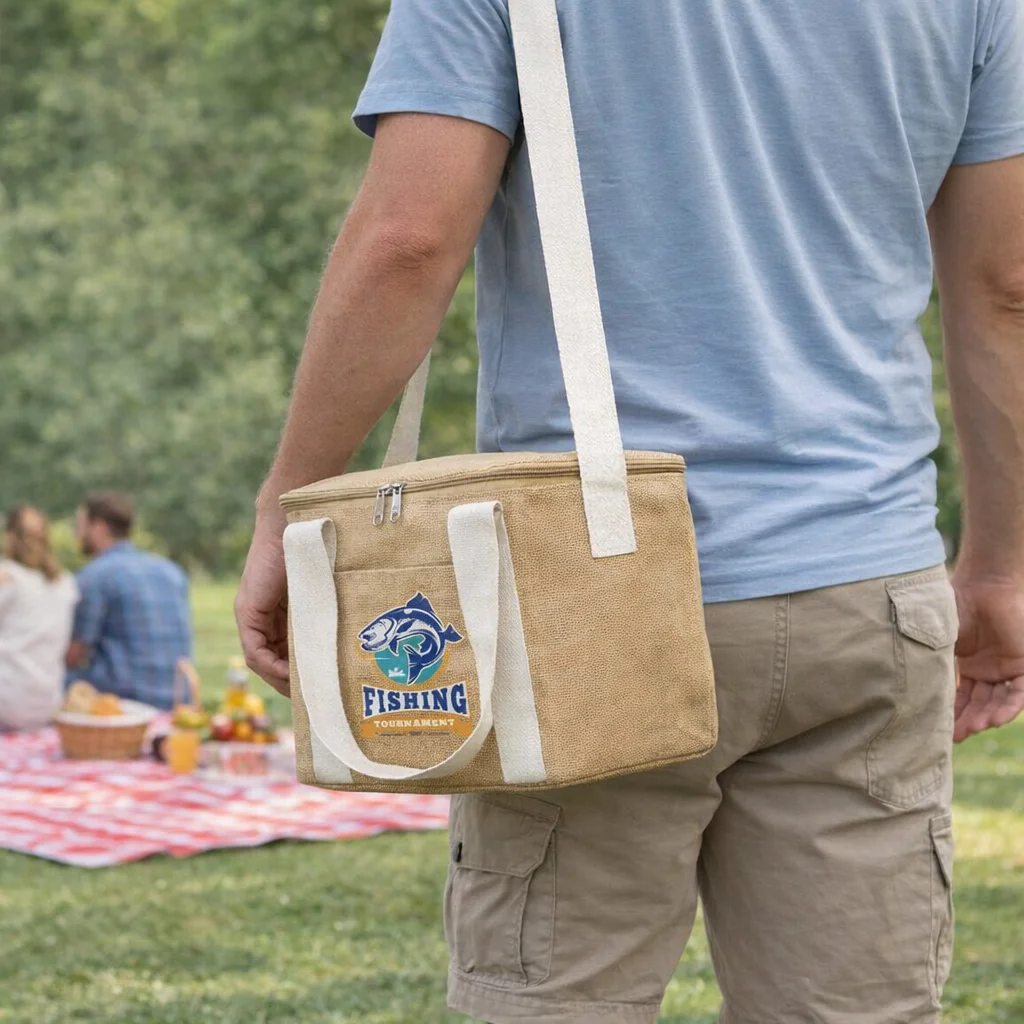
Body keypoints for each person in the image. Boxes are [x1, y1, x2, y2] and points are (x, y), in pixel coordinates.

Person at [236, 1, 1024, 1020]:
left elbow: (409, 243)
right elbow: (1005, 287)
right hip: (862, 579)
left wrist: (285, 510)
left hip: (588, 598)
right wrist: (1000, 565)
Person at [67, 493, 192, 711]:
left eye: (80, 526)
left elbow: (74, 655)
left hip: (126, 701)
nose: (77, 534)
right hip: (179, 699)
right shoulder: (172, 572)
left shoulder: (94, 576)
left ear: (99, 527)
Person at [0, 506, 79, 730]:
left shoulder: (8, 576)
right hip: (47, 705)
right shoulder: (65, 582)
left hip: (6, 702)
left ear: (10, 537)